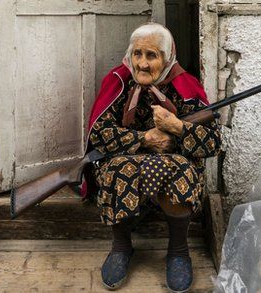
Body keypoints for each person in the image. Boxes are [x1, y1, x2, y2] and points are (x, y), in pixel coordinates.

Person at [83, 23, 221, 292]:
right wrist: (143, 139)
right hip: (126, 163)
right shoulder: (119, 82)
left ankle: (179, 252)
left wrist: (178, 127)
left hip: (174, 164)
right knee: (118, 168)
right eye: (137, 54)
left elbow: (213, 142)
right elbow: (99, 134)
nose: (142, 64)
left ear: (167, 58)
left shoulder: (184, 85)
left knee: (181, 170)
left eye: (152, 56)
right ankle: (121, 247)